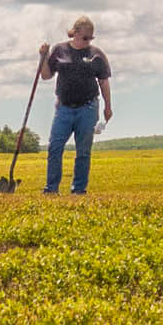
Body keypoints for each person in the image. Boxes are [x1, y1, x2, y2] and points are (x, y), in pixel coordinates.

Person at [38, 16, 113, 194]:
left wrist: (108, 107)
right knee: (55, 147)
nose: (88, 41)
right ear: (75, 33)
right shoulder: (59, 50)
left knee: (83, 151)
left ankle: (78, 190)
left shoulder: (96, 54)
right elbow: (46, 75)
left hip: (88, 107)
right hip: (63, 108)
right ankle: (51, 189)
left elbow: (104, 81)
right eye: (85, 37)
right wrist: (43, 57)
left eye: (91, 38)